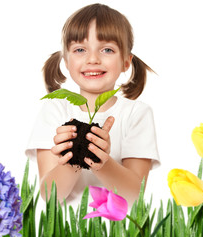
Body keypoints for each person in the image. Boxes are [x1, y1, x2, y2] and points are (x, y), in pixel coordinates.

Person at [26, 3, 160, 207]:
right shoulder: (54, 110)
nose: (93, 59)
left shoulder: (136, 113)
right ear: (66, 60)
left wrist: (102, 162)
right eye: (80, 49)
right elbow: (50, 197)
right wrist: (76, 153)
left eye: (107, 49)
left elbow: (134, 195)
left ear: (126, 61)